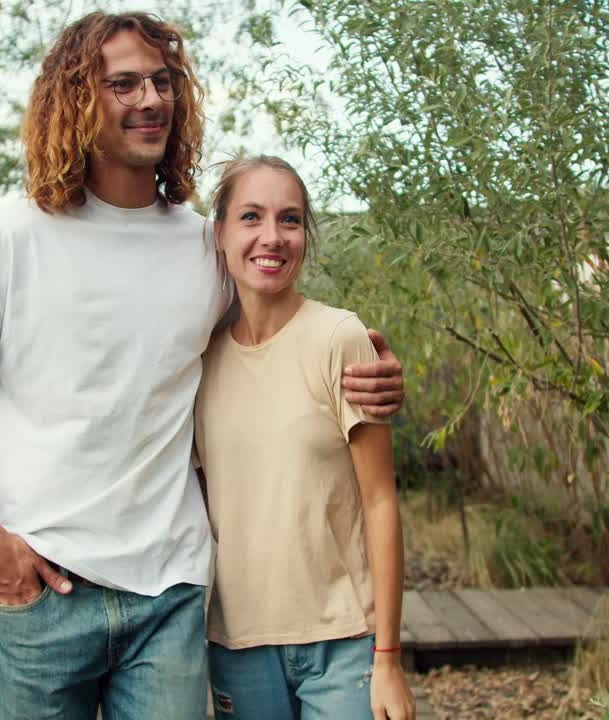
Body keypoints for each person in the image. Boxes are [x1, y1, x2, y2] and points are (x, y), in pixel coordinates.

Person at [0, 12, 406, 720]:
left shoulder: (204, 249)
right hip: (41, 596)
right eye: (124, 83)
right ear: (77, 100)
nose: (151, 99)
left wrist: (372, 371)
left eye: (162, 82)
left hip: (168, 596)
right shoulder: (12, 235)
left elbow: (280, 334)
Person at [195, 156, 417, 720]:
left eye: (289, 220)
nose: (272, 236)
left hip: (343, 643)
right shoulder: (198, 360)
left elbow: (380, 500)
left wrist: (387, 658)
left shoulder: (339, 337)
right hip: (236, 645)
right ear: (219, 231)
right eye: (251, 216)